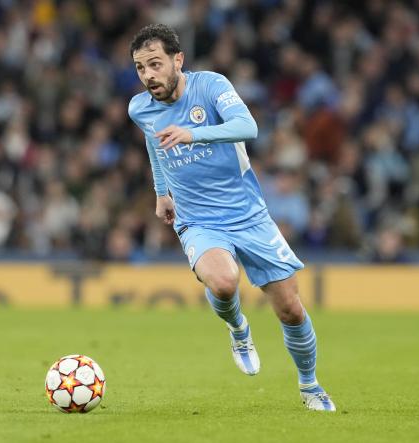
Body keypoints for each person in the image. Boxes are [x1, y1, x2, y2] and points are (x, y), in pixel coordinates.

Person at [128, 24, 335, 412]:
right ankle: (238, 328)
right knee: (224, 283)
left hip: (249, 214)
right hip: (197, 219)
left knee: (290, 308)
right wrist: (161, 192)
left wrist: (193, 134)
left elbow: (248, 127)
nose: (148, 76)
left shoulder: (211, 86)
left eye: (155, 64)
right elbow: (153, 143)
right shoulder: (140, 108)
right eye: (140, 68)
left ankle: (310, 385)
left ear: (178, 59)